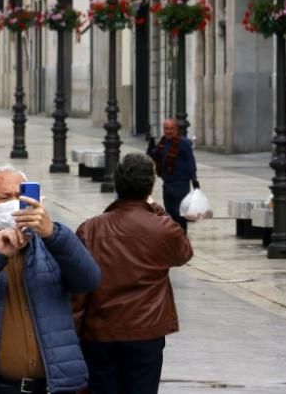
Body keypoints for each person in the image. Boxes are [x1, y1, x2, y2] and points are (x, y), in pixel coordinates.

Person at [0, 166, 101, 394]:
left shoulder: (54, 244)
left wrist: (53, 233)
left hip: (52, 387)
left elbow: (89, 279)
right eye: (4, 198)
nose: (14, 203)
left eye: (20, 197)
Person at [74, 152, 194, 394]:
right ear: (150, 186)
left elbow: (78, 290)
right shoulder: (163, 228)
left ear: (117, 185)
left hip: (100, 332)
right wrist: (156, 210)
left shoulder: (91, 229)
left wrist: (73, 333)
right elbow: (183, 253)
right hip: (146, 332)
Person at [146, 118, 199, 233]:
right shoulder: (163, 142)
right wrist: (150, 144)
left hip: (181, 184)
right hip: (167, 184)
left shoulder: (184, 143)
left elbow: (191, 162)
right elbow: (154, 156)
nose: (168, 131)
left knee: (180, 215)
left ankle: (182, 238)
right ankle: (174, 238)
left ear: (176, 129)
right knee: (170, 215)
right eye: (166, 129)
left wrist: (194, 179)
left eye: (171, 129)